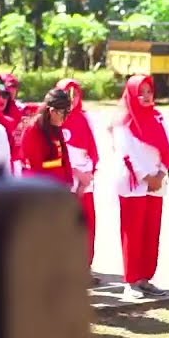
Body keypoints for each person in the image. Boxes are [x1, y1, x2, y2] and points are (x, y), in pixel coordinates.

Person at [116, 75, 169, 299]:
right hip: (134, 184)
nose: (146, 96)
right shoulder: (124, 122)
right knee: (133, 231)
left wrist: (161, 173)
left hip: (157, 181)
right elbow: (126, 154)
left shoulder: (158, 117)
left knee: (151, 231)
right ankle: (131, 282)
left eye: (149, 91)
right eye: (141, 92)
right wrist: (146, 177)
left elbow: (168, 147)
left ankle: (145, 278)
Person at [56, 78, 99, 277]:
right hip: (65, 181)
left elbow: (93, 149)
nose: (72, 99)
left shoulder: (85, 118)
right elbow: (57, 154)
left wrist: (87, 176)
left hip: (85, 180)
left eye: (75, 94)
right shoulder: (54, 120)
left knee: (87, 225)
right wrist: (76, 176)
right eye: (67, 94)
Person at [18, 88, 72, 184]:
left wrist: (69, 181)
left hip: (58, 185)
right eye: (63, 113)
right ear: (52, 111)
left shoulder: (55, 126)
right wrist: (59, 165)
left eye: (68, 112)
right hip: (39, 186)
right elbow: (36, 166)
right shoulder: (33, 130)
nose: (66, 117)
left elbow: (64, 156)